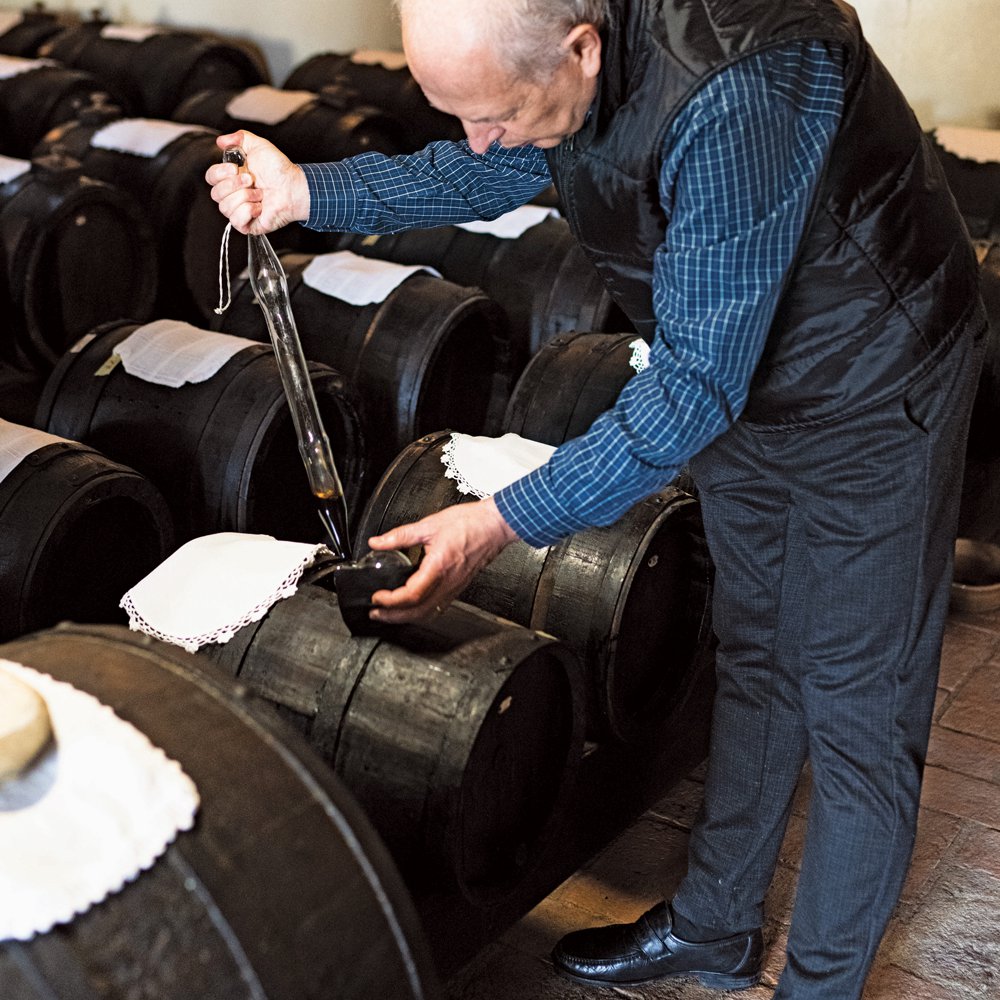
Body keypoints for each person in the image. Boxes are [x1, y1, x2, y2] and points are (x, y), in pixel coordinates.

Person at [206, 0, 987, 996]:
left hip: (874, 384)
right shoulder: (562, 59)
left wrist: (497, 522)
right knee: (755, 650)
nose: (479, 135)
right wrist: (307, 188)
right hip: (749, 363)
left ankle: (821, 984)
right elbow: (487, 164)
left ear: (582, 47)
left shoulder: (740, 78)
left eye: (496, 110)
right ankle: (713, 926)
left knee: (855, 712)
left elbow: (695, 385)